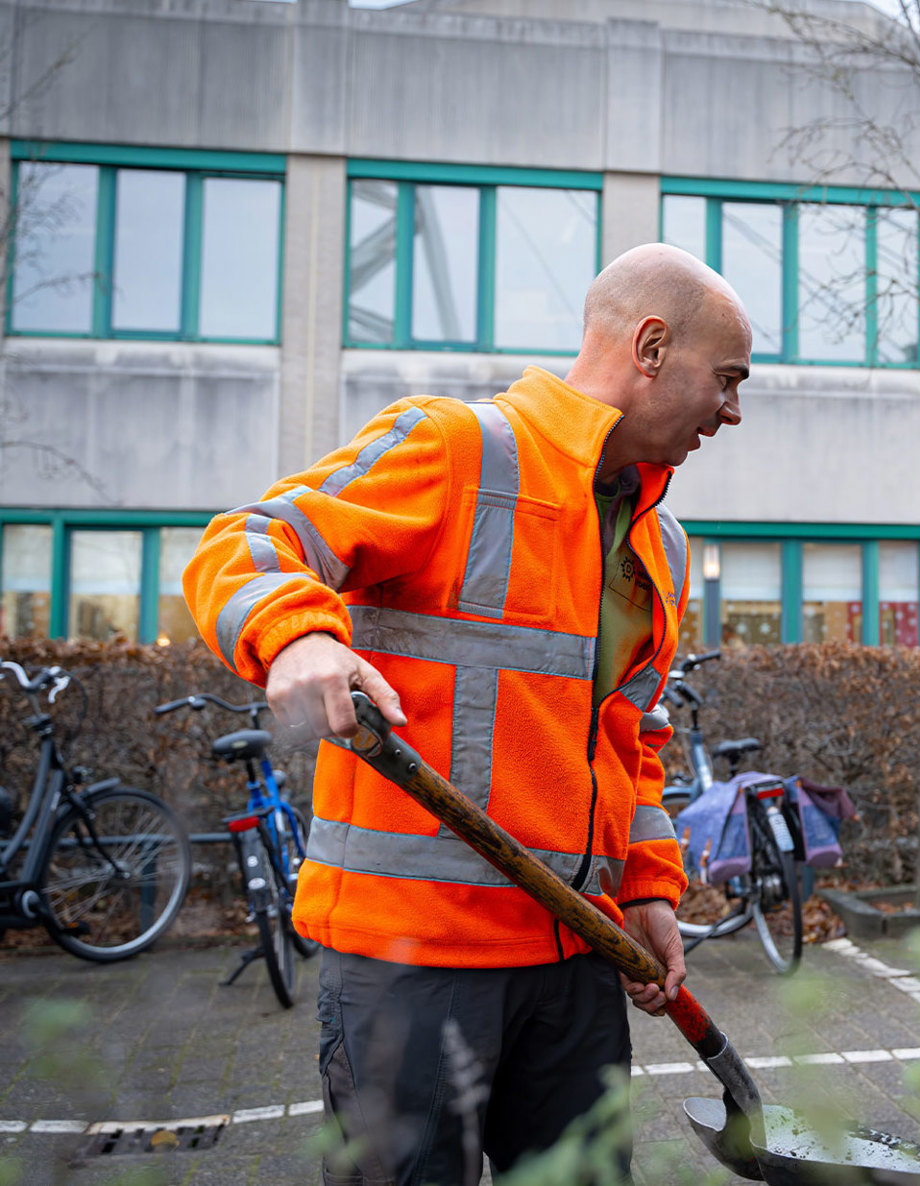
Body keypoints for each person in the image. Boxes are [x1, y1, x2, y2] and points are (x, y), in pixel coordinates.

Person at [184, 243, 750, 1185]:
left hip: (576, 953)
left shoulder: (663, 545)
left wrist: (649, 887)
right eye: (726, 380)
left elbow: (633, 735)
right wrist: (298, 637)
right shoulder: (457, 451)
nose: (732, 412)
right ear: (650, 346)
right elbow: (250, 541)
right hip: (412, 960)